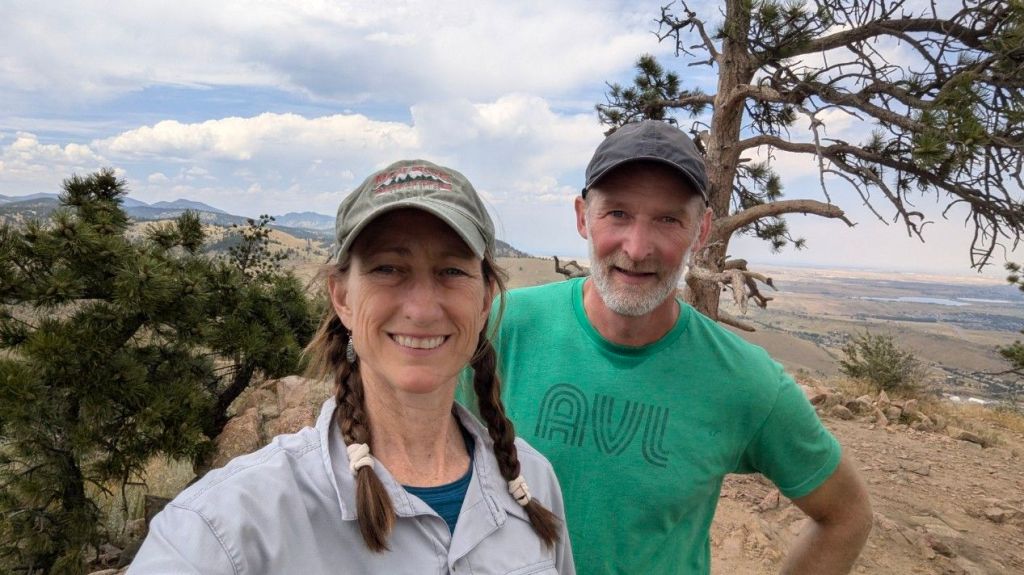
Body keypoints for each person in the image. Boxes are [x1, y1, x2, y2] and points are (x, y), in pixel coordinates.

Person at [459, 121, 872, 574]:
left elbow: (847, 516)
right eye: (617, 213)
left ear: (702, 230)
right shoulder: (498, 328)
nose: (637, 249)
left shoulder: (743, 380)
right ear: (582, 217)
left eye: (668, 220)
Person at [130, 160, 574, 574]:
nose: (421, 309)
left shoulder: (532, 481)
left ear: (485, 299)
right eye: (388, 268)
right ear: (341, 297)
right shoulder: (228, 526)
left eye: (452, 271)